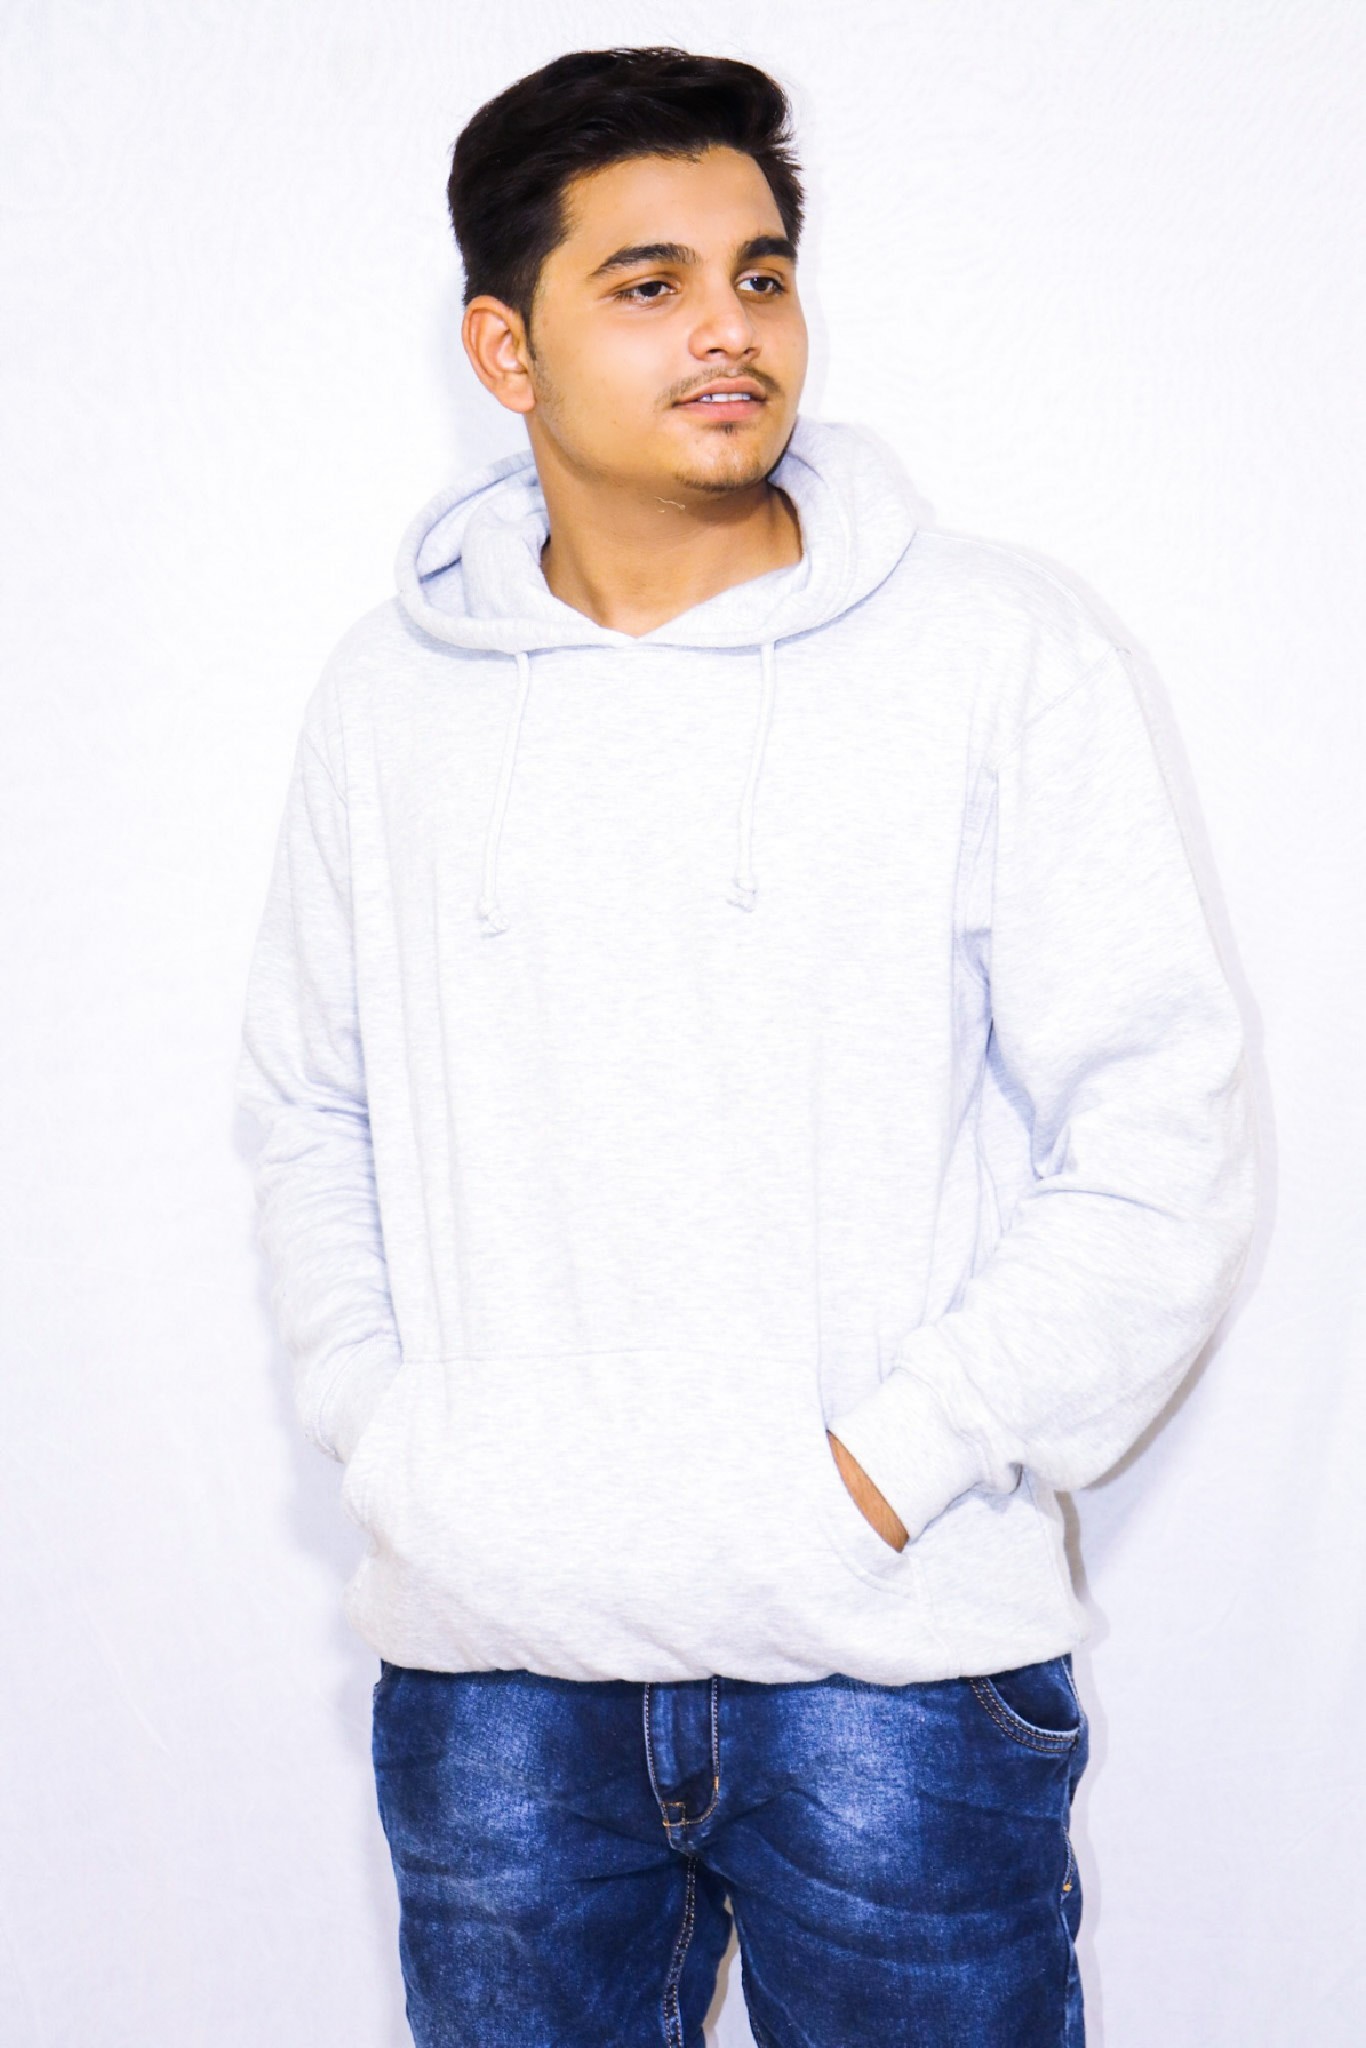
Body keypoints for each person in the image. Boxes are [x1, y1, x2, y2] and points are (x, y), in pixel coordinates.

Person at [234, 45, 1257, 2048]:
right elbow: (307, 1108)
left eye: (760, 273)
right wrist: (390, 1433)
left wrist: (887, 1468)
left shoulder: (993, 648)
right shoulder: (388, 701)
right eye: (649, 284)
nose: (729, 327)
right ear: (503, 349)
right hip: (496, 1665)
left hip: (890, 1666)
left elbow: (1161, 1125)